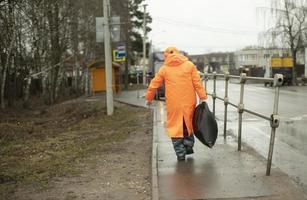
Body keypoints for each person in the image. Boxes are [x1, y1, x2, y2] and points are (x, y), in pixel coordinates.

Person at [145, 47, 208, 161]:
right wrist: (203, 97)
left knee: (175, 126)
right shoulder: (189, 65)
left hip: (173, 103)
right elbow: (197, 83)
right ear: (179, 53)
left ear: (166, 56)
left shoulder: (164, 69)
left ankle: (180, 153)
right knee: (188, 123)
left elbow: (154, 84)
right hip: (189, 101)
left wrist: (149, 98)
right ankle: (188, 145)